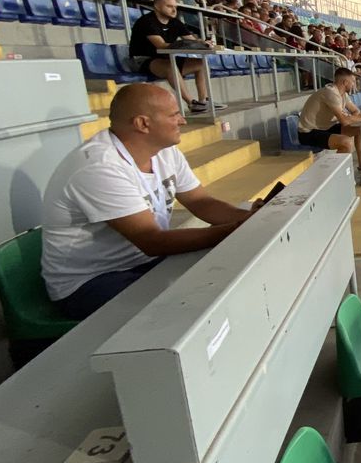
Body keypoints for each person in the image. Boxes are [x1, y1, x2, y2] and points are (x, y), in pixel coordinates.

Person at [41, 84, 259, 319]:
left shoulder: (165, 151)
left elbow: (200, 201)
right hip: (91, 281)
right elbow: (152, 241)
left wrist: (248, 217)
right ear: (143, 124)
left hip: (145, 262)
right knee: (186, 310)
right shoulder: (99, 166)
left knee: (223, 278)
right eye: (174, 115)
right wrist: (234, 230)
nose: (182, 121)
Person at [128, 0, 222, 113]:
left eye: (175, 7)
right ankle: (191, 103)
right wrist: (186, 44)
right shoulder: (146, 21)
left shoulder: (175, 22)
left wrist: (204, 43)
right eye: (169, 6)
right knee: (170, 67)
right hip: (142, 60)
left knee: (200, 64)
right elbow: (161, 46)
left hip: (165, 59)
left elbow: (192, 40)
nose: (173, 10)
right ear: (157, 6)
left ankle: (203, 100)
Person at [297, 69, 361, 174]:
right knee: (346, 142)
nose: (354, 84)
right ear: (345, 82)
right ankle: (339, 176)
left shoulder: (343, 93)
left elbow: (356, 111)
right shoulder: (330, 93)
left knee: (360, 129)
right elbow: (344, 121)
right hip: (308, 132)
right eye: (352, 81)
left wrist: (358, 117)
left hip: (326, 128)